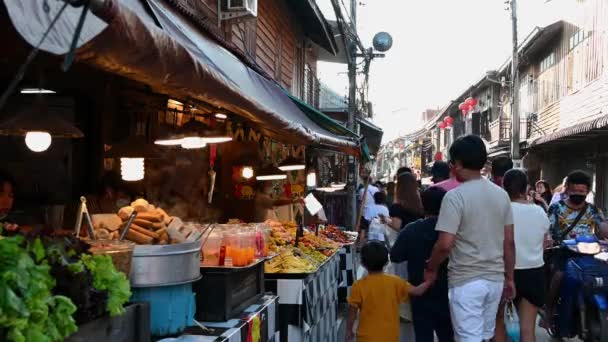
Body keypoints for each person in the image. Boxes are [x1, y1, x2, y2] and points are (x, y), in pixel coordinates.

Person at [425, 135, 515, 341]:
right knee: (485, 336)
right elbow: (509, 242)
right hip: (495, 280)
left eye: (452, 163)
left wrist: (431, 267)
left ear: (457, 163)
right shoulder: (501, 195)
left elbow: (445, 244)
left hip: (466, 281)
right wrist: (509, 278)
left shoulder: (455, 197)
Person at [544, 170, 608, 328]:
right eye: (575, 191)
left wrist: (605, 230)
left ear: (587, 191)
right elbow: (547, 229)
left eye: (582, 191)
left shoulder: (592, 209)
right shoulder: (556, 208)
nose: (578, 194)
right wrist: (549, 240)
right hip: (563, 251)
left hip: (589, 252)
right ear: (567, 190)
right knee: (559, 276)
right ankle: (549, 312)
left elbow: (602, 227)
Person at [390, 187, 454, 342]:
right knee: (448, 333)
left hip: (419, 289)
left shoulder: (412, 229)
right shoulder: (453, 229)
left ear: (422, 205)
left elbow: (396, 255)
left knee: (423, 334)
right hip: (450, 288)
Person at [495, 169, 551, 342]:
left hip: (504, 272)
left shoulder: (500, 211)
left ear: (504, 188)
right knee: (527, 330)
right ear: (526, 188)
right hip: (534, 273)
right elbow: (544, 243)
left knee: (499, 325)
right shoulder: (539, 212)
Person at [346, 241, 430, 342]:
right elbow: (417, 291)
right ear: (386, 262)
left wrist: (349, 330)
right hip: (390, 336)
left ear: (363, 263)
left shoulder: (358, 286)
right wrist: (429, 280)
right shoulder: (396, 281)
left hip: (366, 337)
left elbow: (352, 312)